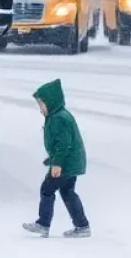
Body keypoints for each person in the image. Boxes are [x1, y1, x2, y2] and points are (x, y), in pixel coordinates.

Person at [22, 79, 90, 238]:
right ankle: (82, 225)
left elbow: (63, 144)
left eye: (41, 105)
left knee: (47, 189)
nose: (40, 109)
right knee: (67, 192)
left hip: (66, 163)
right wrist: (53, 160)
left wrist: (57, 163)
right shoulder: (57, 115)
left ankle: (43, 224)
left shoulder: (59, 118)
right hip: (70, 162)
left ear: (51, 102)